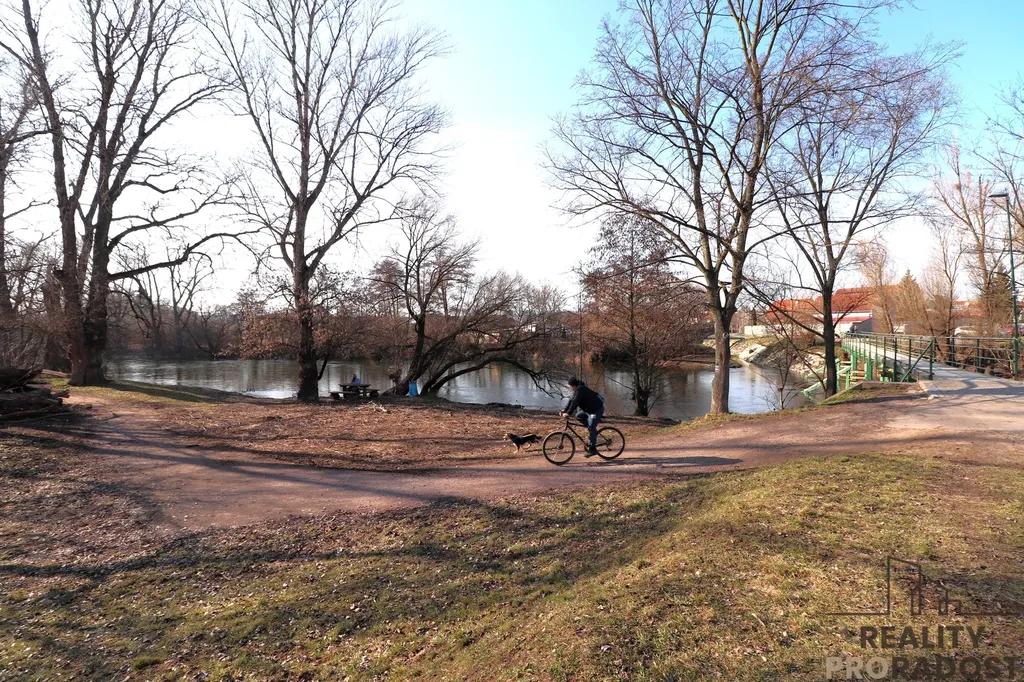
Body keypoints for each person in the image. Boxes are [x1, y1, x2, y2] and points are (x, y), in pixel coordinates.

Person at [560, 376, 604, 456]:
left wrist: (569, 413)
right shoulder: (577, 389)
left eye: (569, 386)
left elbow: (575, 402)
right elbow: (571, 400)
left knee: (591, 427)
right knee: (578, 416)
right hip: (588, 410)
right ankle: (592, 432)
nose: (569, 387)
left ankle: (593, 449)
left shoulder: (580, 389)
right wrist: (564, 410)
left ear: (572, 385)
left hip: (595, 411)